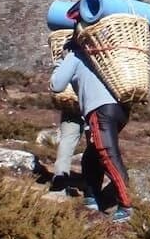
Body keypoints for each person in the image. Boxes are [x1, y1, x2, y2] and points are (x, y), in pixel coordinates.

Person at [50, 39, 133, 223]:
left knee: (107, 155)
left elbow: (57, 85)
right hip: (120, 110)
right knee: (91, 155)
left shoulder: (75, 55)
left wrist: (60, 63)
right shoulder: (102, 52)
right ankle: (91, 197)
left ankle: (126, 206)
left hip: (100, 111)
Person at [48, 104, 84, 194]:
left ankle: (59, 181)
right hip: (98, 106)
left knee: (67, 141)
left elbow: (57, 89)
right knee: (96, 144)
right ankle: (92, 191)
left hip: (72, 104)